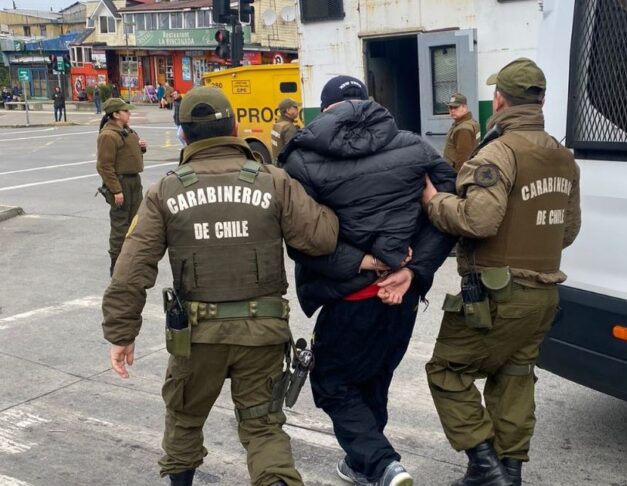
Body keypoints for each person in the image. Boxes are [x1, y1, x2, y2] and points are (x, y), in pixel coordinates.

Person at [100, 86, 340, 486]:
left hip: (197, 337)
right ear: (235, 127)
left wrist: (121, 333)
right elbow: (321, 239)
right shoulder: (273, 182)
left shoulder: (166, 190)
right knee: (263, 427)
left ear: (184, 135)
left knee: (184, 419)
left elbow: (131, 267)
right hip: (263, 333)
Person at [279, 75, 457, 486]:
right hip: (401, 295)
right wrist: (411, 270)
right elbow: (445, 214)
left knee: (332, 383)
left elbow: (302, 239)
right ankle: (362, 465)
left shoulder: (301, 159)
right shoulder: (414, 146)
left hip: (350, 298)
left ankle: (381, 464)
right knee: (376, 376)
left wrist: (363, 261)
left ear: (325, 108)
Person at [421, 58, 582, 486]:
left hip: (496, 294)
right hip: (544, 294)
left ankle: (485, 466)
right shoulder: (563, 157)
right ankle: (508, 474)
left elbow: (479, 220)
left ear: (499, 100)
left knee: (447, 371)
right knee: (514, 378)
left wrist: (435, 202)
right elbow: (567, 231)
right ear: (541, 101)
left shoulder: (498, 152)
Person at [96, 98, 147, 276]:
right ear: (116, 114)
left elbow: (128, 155)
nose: (129, 113)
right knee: (120, 226)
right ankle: (117, 265)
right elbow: (104, 166)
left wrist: (141, 148)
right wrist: (116, 190)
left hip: (134, 181)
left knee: (136, 223)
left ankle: (131, 262)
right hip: (121, 183)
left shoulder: (127, 131)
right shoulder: (108, 135)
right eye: (126, 111)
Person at [443, 93, 480, 172]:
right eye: (450, 107)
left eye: (456, 107)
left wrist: (458, 176)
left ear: (464, 107)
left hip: (456, 172)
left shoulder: (463, 128)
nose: (452, 110)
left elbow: (463, 158)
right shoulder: (471, 122)